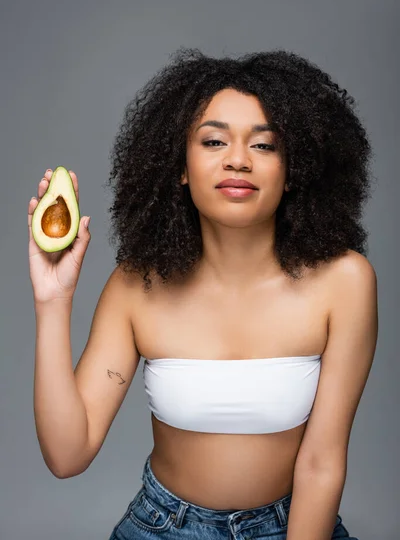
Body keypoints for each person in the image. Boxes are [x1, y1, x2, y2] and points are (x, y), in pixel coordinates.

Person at [29, 48, 378, 539]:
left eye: (264, 145)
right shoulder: (137, 285)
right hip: (163, 527)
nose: (237, 160)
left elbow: (322, 463)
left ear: (293, 169)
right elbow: (67, 455)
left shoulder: (345, 282)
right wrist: (52, 301)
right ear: (181, 167)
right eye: (214, 141)